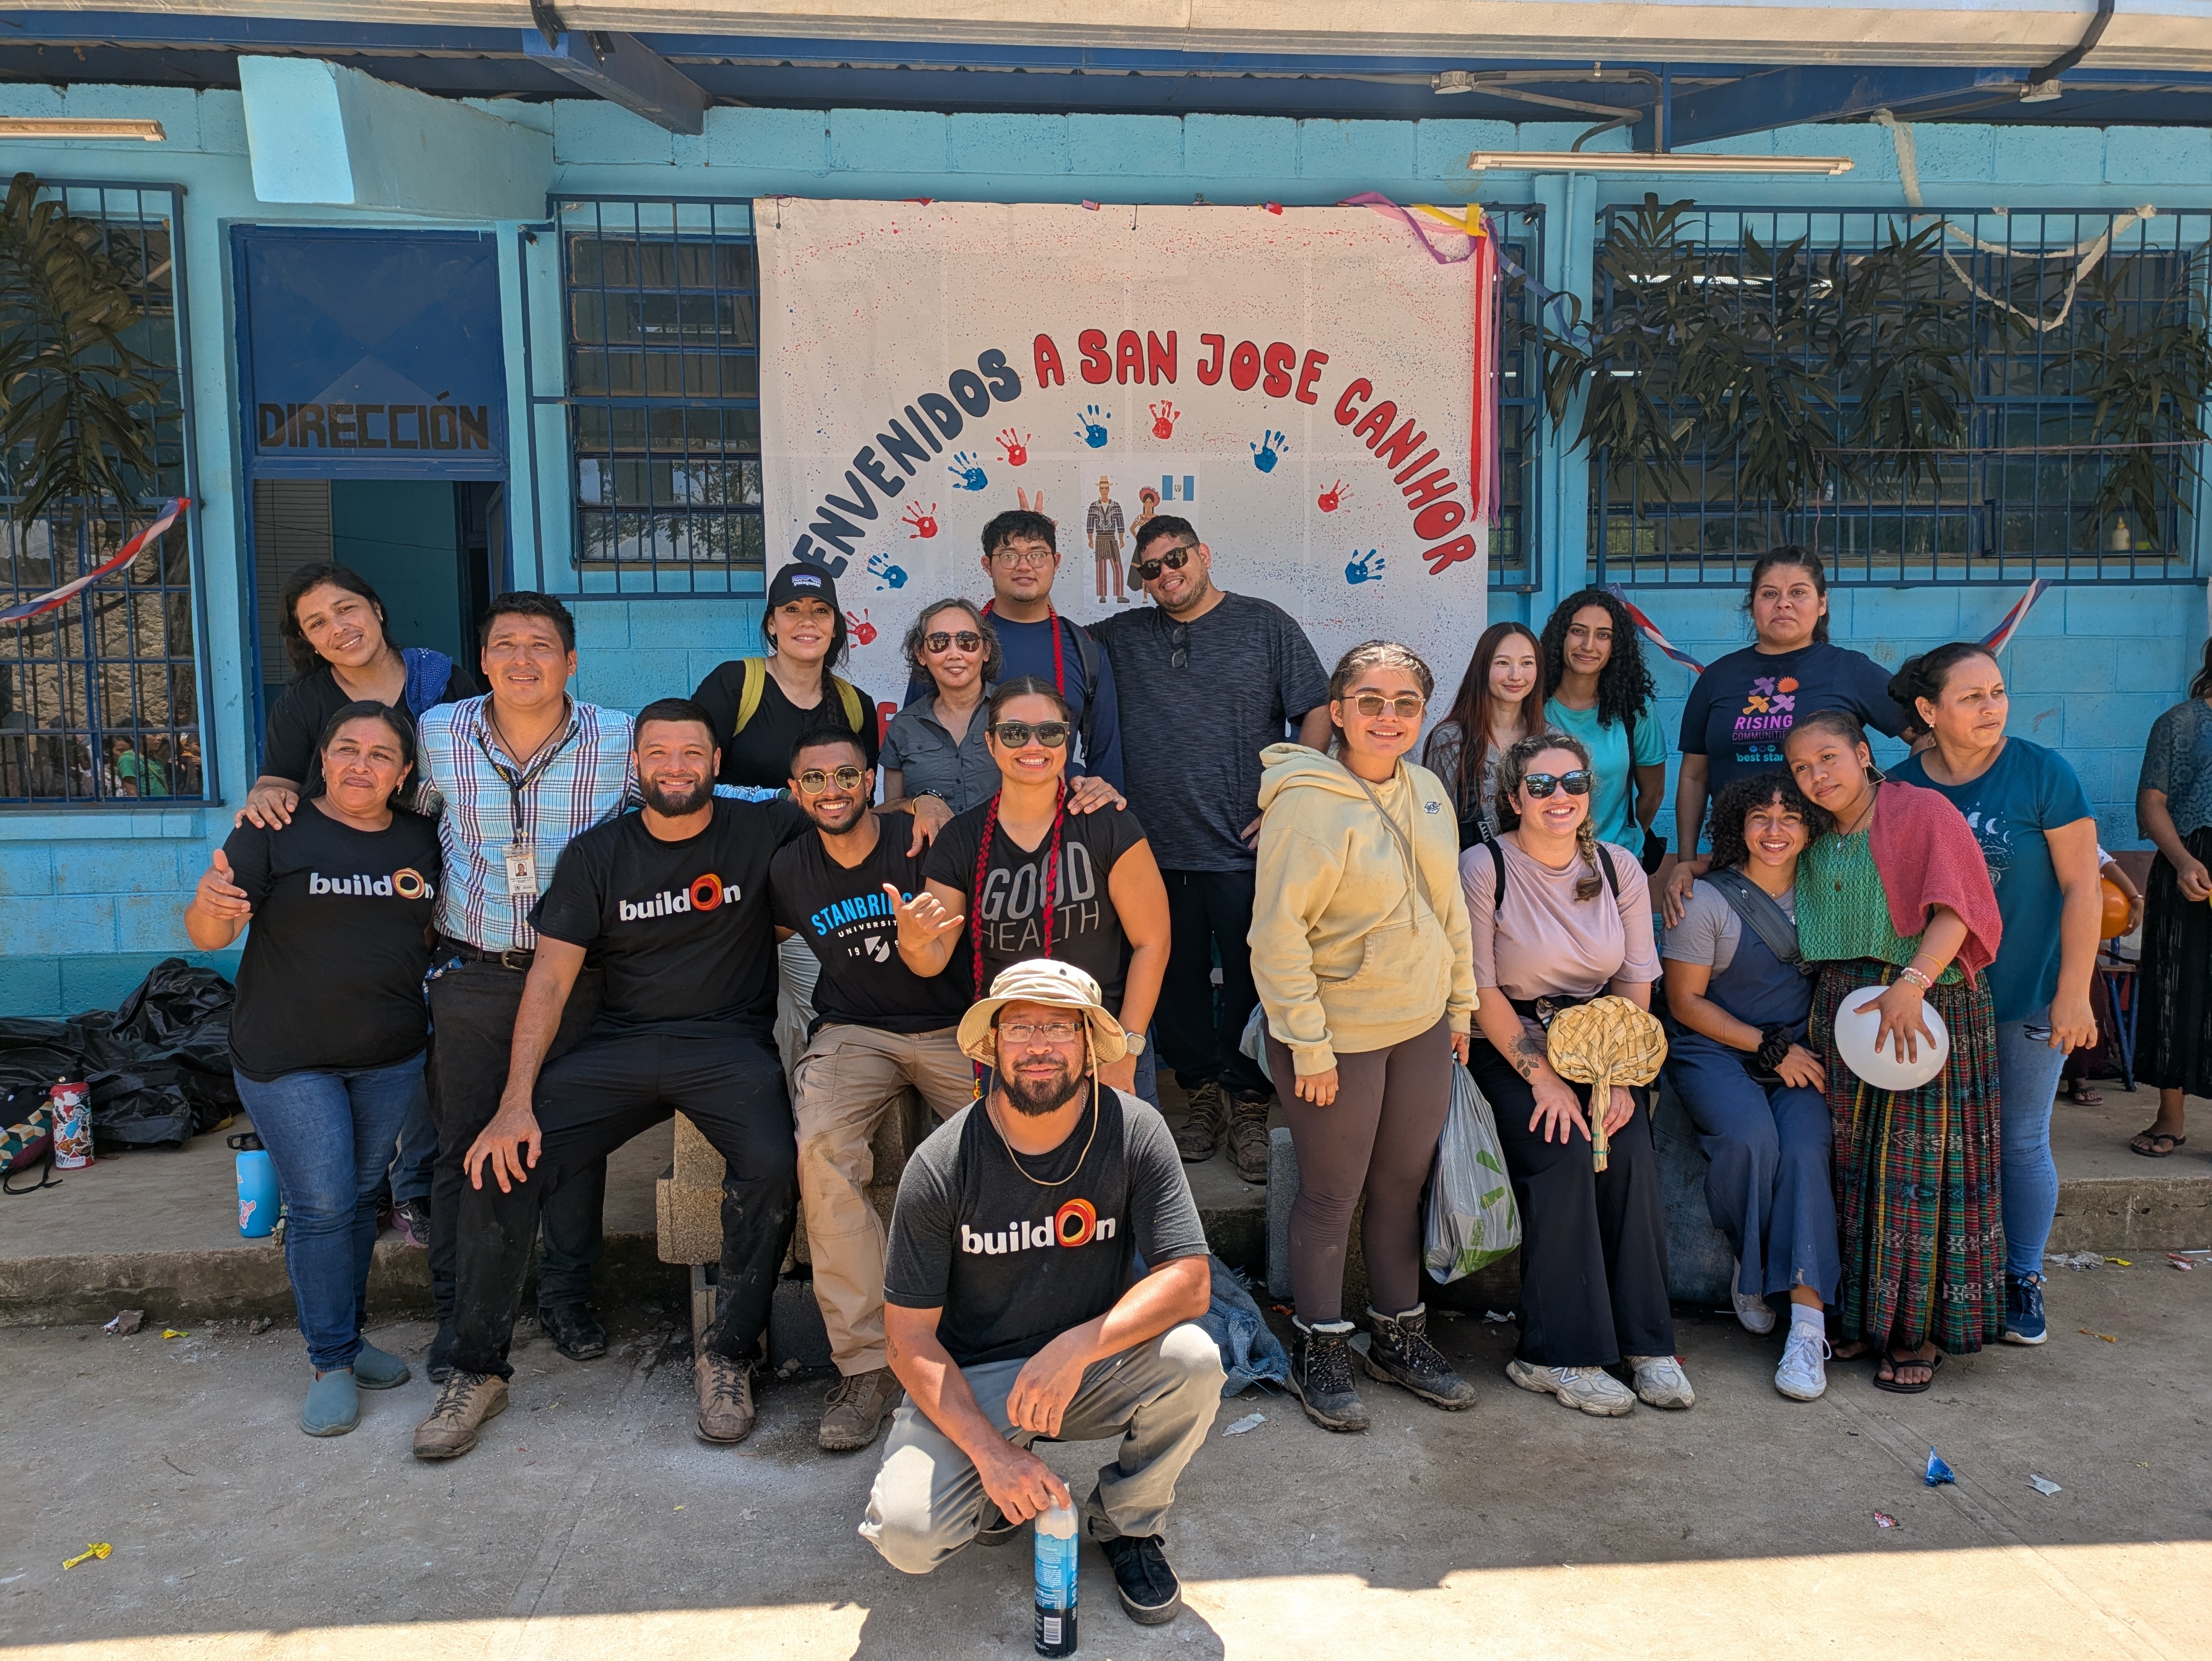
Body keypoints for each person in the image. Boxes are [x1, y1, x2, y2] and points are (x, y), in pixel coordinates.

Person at [415, 700, 836, 1459]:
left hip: (726, 1048)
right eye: (658, 754)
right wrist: (515, 1104)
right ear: (635, 766)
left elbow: (857, 832)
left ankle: (729, 1356)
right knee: (500, 1160)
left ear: (716, 765)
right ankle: (477, 1369)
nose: (675, 767)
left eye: (691, 753)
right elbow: (549, 978)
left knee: (776, 1166)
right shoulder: (597, 854)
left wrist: (925, 807)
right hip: (622, 1045)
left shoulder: (764, 829)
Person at [858, 958, 1220, 1630]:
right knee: (908, 1537)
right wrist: (990, 1454)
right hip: (974, 1378)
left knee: (1194, 1359)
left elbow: (1190, 1280)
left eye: (1059, 1027)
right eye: (1020, 1027)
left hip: (1086, 1367)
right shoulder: (942, 1164)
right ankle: (997, 1485)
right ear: (991, 1046)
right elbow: (908, 1341)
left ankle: (1127, 1526)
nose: (1039, 1045)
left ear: (1089, 1047)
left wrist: (1081, 1344)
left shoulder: (1135, 1129)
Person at [183, 703, 441, 1435]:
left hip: (389, 1053)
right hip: (286, 1056)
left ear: (405, 772)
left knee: (361, 1198)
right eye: (348, 749)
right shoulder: (274, 830)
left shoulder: (423, 840)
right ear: (322, 760)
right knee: (324, 1203)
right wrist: (208, 908)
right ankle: (330, 1358)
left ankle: (352, 1337)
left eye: (382, 755)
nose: (362, 765)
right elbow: (211, 933)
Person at [1249, 641, 1478, 1431]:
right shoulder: (1305, 804)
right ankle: (1317, 1343)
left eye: (1404, 703)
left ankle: (1397, 1336)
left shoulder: (1424, 791)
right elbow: (1275, 938)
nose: (1387, 717)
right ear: (1337, 711)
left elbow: (1449, 909)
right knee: (1328, 1195)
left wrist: (1459, 1008)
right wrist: (1307, 1046)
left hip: (1416, 1027)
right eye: (1369, 701)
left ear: (1422, 713)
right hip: (1335, 1037)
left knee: (1396, 1190)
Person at [404, 594, 628, 1377]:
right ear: (485, 658)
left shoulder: (618, 738)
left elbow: (680, 810)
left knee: (569, 1146)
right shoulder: (439, 733)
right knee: (460, 1145)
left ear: (570, 662)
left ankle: (568, 1300)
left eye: (541, 645)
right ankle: (460, 1312)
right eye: (505, 645)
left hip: (579, 979)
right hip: (473, 969)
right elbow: (409, 821)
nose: (522, 659)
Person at [1093, 514, 1332, 1178]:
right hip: (1152, 850)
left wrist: (1293, 789)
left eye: (1176, 560)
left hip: (1244, 846)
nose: (1167, 575)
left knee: (1260, 980)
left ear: (1203, 554)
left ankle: (1249, 1100)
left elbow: (1316, 707)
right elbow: (1049, 653)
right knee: (1175, 982)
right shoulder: (1120, 636)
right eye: (1151, 569)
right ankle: (1201, 1094)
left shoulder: (1265, 624)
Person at [1460, 733, 1689, 1417]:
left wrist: (1617, 1079)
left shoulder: (1618, 866)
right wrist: (1543, 1078)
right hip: (1509, 1045)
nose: (1559, 796)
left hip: (1602, 1042)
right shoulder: (1484, 866)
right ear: (1513, 798)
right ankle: (1554, 1352)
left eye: (1573, 783)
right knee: (1561, 1152)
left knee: (1629, 1156)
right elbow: (1478, 989)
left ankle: (1646, 1345)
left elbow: (1636, 977)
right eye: (1540, 785)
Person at [1785, 709, 2003, 1392]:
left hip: (1925, 1002)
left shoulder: (1921, 811)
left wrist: (1913, 985)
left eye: (1828, 759)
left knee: (1922, 1173)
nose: (1817, 776)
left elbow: (1960, 906)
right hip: (1845, 1006)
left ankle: (1922, 1334)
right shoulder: (1814, 833)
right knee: (1857, 1169)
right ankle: (1866, 1319)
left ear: (1863, 752)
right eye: (1801, 768)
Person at [772, 726, 977, 1453]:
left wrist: (923, 801)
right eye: (816, 780)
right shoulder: (788, 867)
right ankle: (865, 1366)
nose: (833, 791)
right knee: (821, 1150)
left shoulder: (921, 844)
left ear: (870, 785)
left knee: (1010, 1145)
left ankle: (992, 1336)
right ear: (795, 792)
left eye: (847, 777)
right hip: (853, 1029)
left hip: (952, 1024)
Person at [1890, 644, 2100, 1346]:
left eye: (1999, 692)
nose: (1992, 708)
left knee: (2019, 1141)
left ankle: (2022, 1276)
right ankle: (1944, 1275)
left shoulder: (2042, 773)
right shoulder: (1900, 790)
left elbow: (2083, 888)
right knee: (1935, 1145)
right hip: (1940, 1004)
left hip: (2027, 994)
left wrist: (2073, 993)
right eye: (1973, 696)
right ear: (1929, 711)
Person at [896, 677, 1170, 1108]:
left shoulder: (1107, 823)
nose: (1033, 745)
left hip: (1105, 1039)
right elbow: (932, 960)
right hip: (1012, 1049)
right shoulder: (961, 840)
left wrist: (1128, 1049)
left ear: (1067, 739)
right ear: (990, 743)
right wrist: (912, 942)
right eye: (1015, 733)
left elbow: (1151, 942)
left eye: (1049, 732)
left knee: (1119, 1171)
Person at [1659, 771, 1837, 1401]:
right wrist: (1769, 1047)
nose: (1775, 830)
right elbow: (1685, 1002)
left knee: (1810, 1150)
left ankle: (1808, 1327)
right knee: (1749, 1139)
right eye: (1759, 817)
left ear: (1811, 828)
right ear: (1736, 828)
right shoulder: (1706, 900)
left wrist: (1790, 1050)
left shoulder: (1829, 892)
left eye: (1790, 818)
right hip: (1716, 1049)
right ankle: (1750, 1263)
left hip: (1797, 1053)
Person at [1664, 549, 1907, 925]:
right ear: (1753, 606)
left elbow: (1923, 736)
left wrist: (1912, 811)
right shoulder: (1717, 678)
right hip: (1740, 861)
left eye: (1798, 592)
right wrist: (1685, 859)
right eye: (1769, 593)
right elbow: (1695, 775)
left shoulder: (1851, 669)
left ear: (1822, 603)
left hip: (1835, 861)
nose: (1784, 604)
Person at [906, 509, 1125, 791]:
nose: (1024, 566)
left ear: (1055, 563)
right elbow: (912, 741)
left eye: (1037, 554)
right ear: (988, 565)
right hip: (960, 823)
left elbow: (1105, 761)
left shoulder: (1085, 650)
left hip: (1058, 823)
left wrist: (1106, 813)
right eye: (1009, 555)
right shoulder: (955, 645)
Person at [243, 562, 478, 823]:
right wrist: (266, 796)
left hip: (445, 848)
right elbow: (277, 782)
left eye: (345, 609)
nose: (338, 628)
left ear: (376, 609)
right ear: (308, 640)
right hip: (339, 850)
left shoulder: (445, 682)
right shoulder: (300, 704)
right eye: (318, 623)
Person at [691, 561, 879, 789]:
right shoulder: (733, 684)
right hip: (742, 825)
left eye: (821, 610)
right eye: (792, 609)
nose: (808, 621)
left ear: (835, 627)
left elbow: (862, 801)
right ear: (772, 623)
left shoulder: (857, 705)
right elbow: (695, 783)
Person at [2131, 636, 2212, 1160]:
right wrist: (2183, 860)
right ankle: (2170, 1116)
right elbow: (2150, 804)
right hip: (2191, 861)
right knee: (2174, 987)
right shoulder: (2179, 724)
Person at [1538, 588, 1666, 865]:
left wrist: (1624, 843)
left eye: (1603, 635)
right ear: (1561, 637)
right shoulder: (1532, 705)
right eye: (1578, 631)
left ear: (1615, 647)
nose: (1588, 645)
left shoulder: (1635, 710)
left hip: (1616, 863)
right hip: (1541, 865)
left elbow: (1653, 793)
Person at [1425, 620, 1549, 849]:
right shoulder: (1451, 740)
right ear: (1483, 668)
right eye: (1503, 663)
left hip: (1536, 877)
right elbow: (1436, 827)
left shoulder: (1552, 741)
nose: (1516, 675)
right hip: (1468, 877)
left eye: (1527, 663)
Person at [881, 599, 1002, 819]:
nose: (954, 654)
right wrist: (919, 803)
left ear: (985, 651)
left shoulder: (1014, 712)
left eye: (968, 641)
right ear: (921, 655)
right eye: (939, 642)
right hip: (930, 852)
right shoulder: (904, 726)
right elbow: (890, 813)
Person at [2063, 848, 2143, 1106]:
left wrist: (2135, 898)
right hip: (2027, 933)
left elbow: (2106, 863)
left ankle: (2080, 1076)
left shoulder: (2073, 834)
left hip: (2072, 939)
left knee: (2087, 996)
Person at [1088, 475, 1128, 604]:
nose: (1104, 490)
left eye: (1106, 488)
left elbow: (1120, 522)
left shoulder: (1115, 506)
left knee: (1118, 566)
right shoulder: (1094, 506)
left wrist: (1121, 538)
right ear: (1100, 490)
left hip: (1112, 538)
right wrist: (1090, 538)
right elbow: (1090, 523)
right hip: (1100, 538)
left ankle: (1120, 595)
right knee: (1101, 567)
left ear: (1108, 490)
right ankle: (1102, 595)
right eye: (1102, 488)